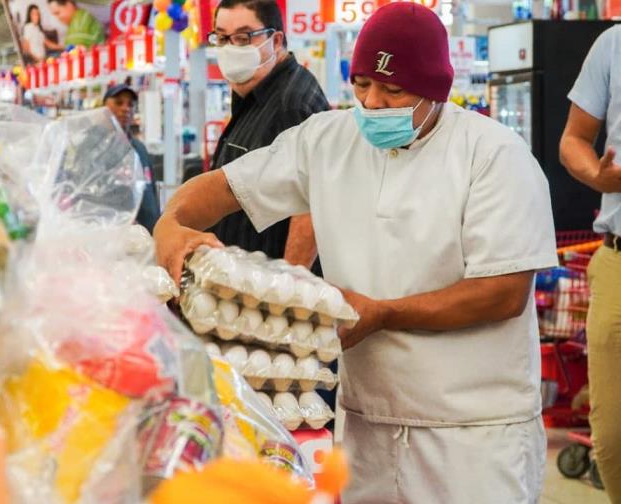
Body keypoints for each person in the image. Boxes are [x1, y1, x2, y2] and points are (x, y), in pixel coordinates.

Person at [154, 4, 557, 503]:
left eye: (394, 91)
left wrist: (383, 313)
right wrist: (170, 225)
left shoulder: (494, 156)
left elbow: (502, 293)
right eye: (363, 84)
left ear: (437, 91)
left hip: (473, 434)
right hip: (367, 426)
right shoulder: (328, 140)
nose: (373, 103)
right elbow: (222, 190)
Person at [206, 0, 328, 271]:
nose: (230, 48)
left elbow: (310, 207)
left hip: (268, 289)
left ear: (275, 41)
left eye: (243, 37)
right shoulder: (253, 95)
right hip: (243, 277)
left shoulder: (291, 103)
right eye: (222, 38)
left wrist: (287, 286)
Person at [560, 25, 621, 503]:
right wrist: (597, 176)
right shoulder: (613, 44)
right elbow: (573, 140)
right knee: (614, 433)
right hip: (617, 258)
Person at [104, 84, 161, 233]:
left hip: (147, 238)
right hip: (113, 239)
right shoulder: (95, 148)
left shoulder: (140, 149)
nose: (126, 108)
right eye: (118, 102)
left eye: (130, 104)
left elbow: (152, 192)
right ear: (104, 107)